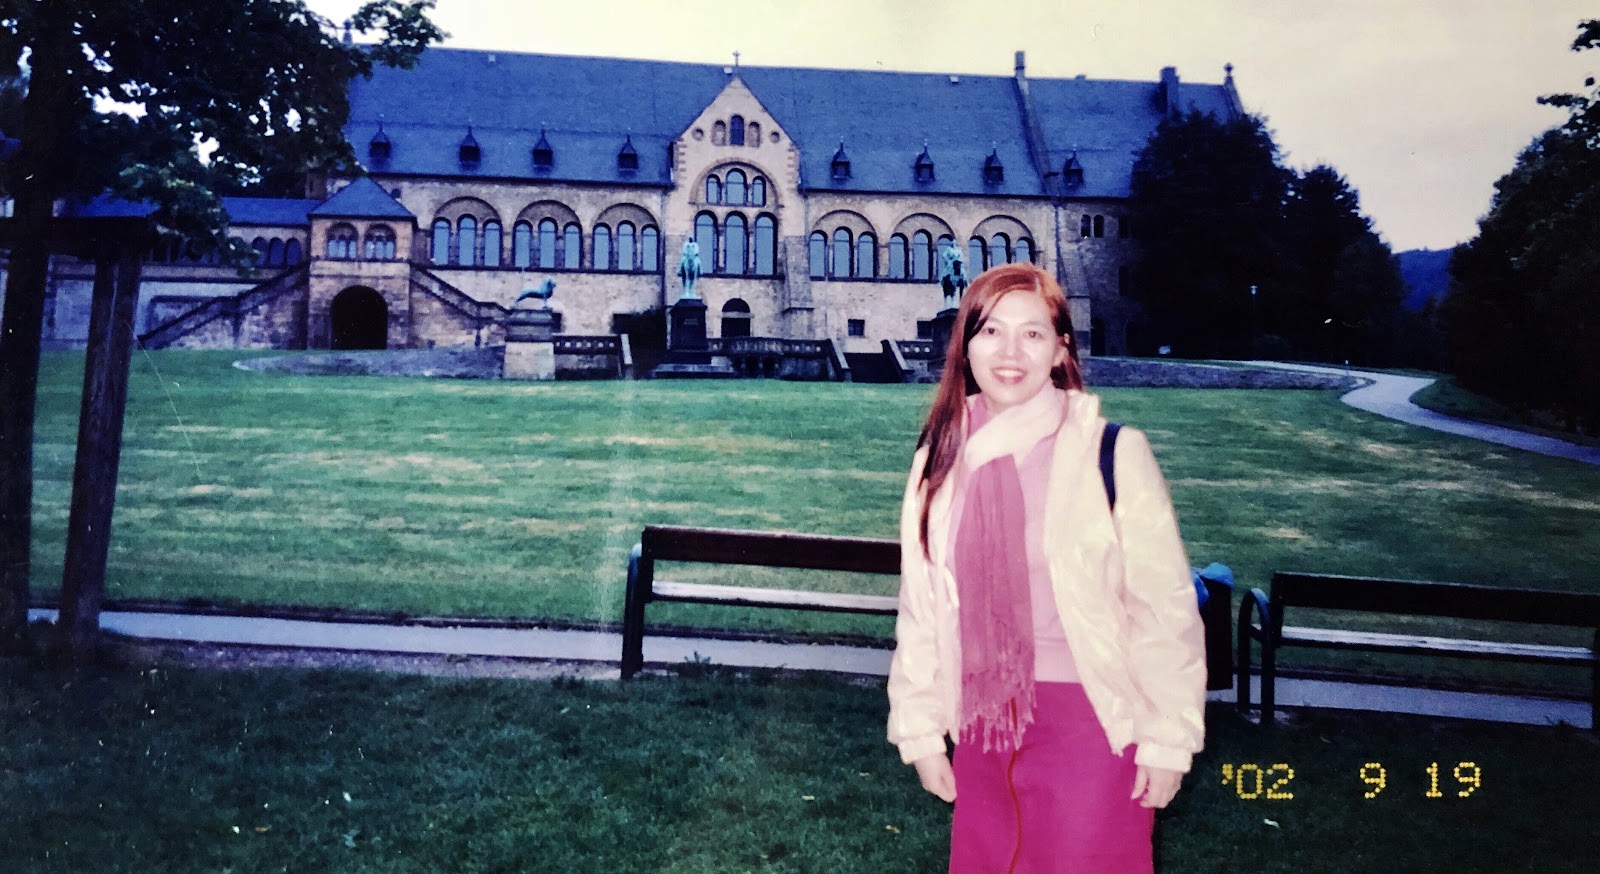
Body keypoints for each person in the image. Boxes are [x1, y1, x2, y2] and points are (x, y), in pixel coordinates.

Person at [886, 262, 1205, 873]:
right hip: (982, 720)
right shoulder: (940, 458)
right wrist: (920, 729)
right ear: (966, 346)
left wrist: (1169, 739)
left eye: (1032, 334)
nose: (1010, 352)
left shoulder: (1114, 453)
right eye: (991, 331)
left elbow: (1164, 611)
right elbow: (922, 606)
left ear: (1060, 351)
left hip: (1091, 721)